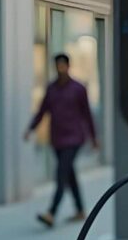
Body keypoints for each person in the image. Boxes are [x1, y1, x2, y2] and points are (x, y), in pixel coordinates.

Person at [24, 53, 98, 227]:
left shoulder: (79, 89)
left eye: (63, 65)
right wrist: (30, 129)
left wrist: (94, 137)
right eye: (58, 65)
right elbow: (42, 111)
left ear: (68, 66)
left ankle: (52, 212)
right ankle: (80, 210)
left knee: (61, 174)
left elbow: (87, 114)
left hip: (74, 138)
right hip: (57, 139)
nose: (60, 68)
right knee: (69, 174)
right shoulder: (51, 89)